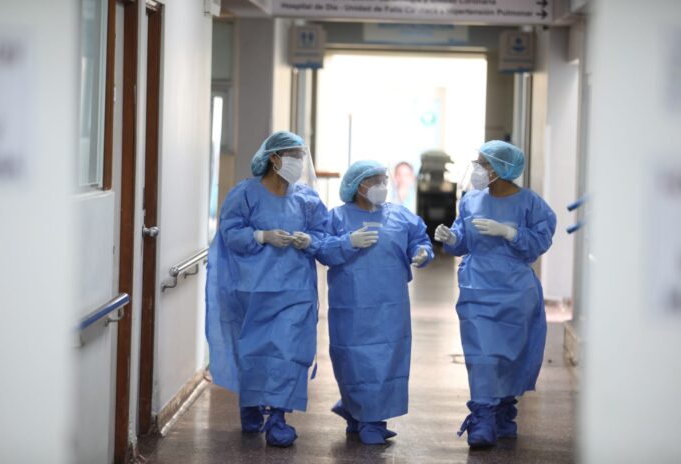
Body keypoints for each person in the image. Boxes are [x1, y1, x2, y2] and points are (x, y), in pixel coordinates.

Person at [205, 131, 327, 447]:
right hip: (254, 290)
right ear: (274, 158)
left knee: (289, 352)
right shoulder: (245, 194)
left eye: (301, 157)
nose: (299, 163)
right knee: (255, 353)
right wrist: (261, 236)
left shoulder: (307, 200)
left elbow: (324, 235)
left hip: (295, 291)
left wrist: (310, 240)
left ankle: (277, 418)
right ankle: (251, 403)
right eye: (294, 156)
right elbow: (230, 233)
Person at [434, 140, 556, 448]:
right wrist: (451, 238)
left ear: (502, 168)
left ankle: (503, 412)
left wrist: (511, 233)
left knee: (510, 356)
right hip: (477, 287)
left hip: (516, 291)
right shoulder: (471, 200)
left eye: (483, 164)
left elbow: (540, 241)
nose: (477, 169)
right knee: (481, 355)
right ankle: (483, 417)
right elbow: (463, 239)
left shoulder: (530, 203)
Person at [316, 160, 434, 445]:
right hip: (351, 305)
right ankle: (357, 411)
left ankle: (373, 420)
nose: (382, 186)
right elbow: (320, 250)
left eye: (384, 180)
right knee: (353, 360)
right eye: (375, 181)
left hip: (390, 306)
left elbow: (420, 240)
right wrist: (347, 243)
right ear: (358, 186)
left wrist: (421, 252)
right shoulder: (336, 218)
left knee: (386, 361)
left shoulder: (400, 217)